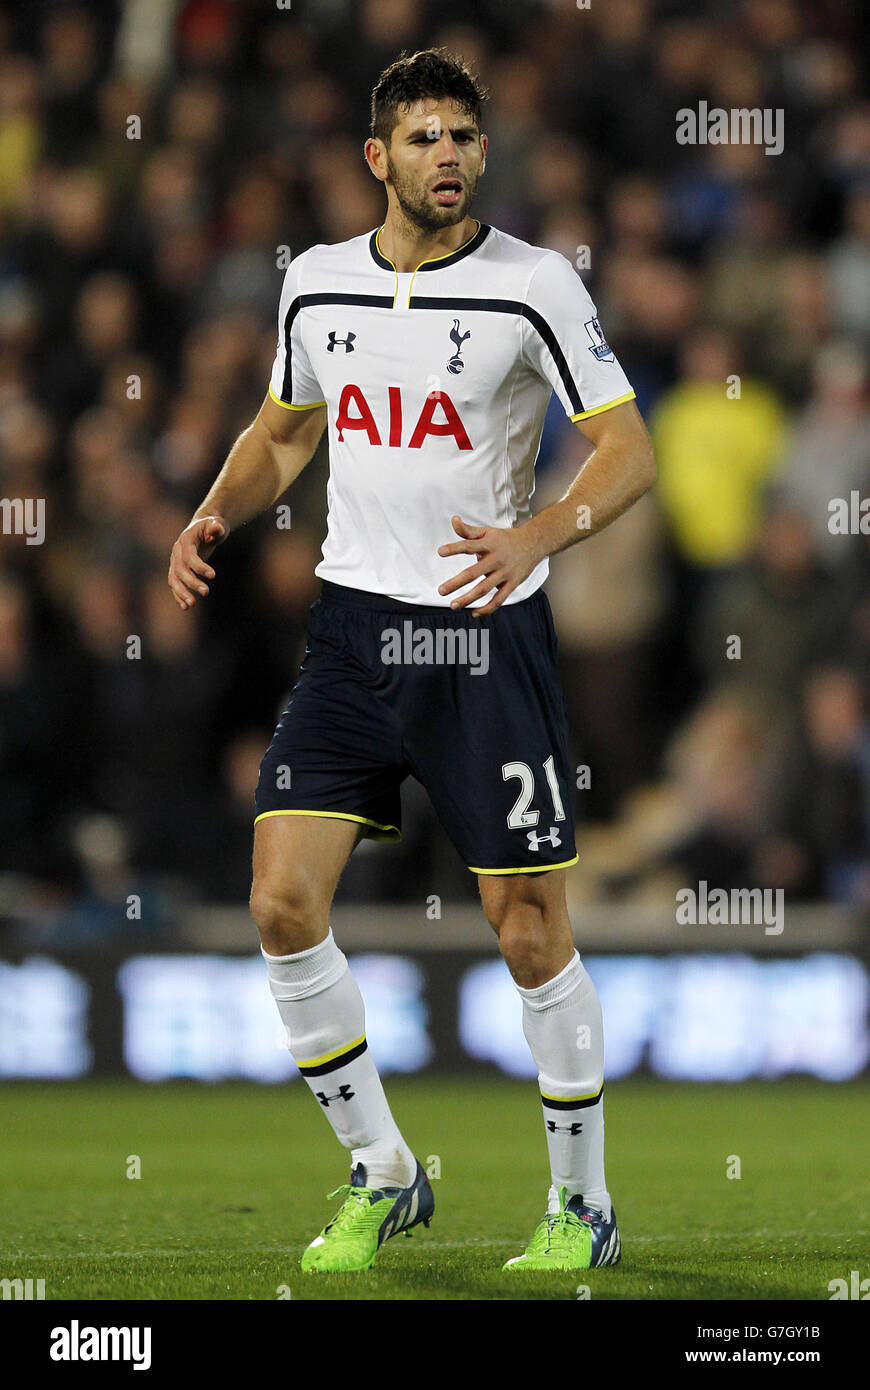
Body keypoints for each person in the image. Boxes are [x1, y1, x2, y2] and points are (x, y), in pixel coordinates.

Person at [167, 49, 654, 1275]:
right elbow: (285, 429)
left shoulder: (534, 284)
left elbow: (629, 448)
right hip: (352, 634)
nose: (450, 156)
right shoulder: (316, 285)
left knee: (528, 928)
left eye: (466, 138)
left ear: (486, 154)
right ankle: (385, 1172)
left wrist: (538, 532)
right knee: (280, 900)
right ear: (377, 158)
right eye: (425, 137)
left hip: (486, 639)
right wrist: (216, 510)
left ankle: (581, 1203)